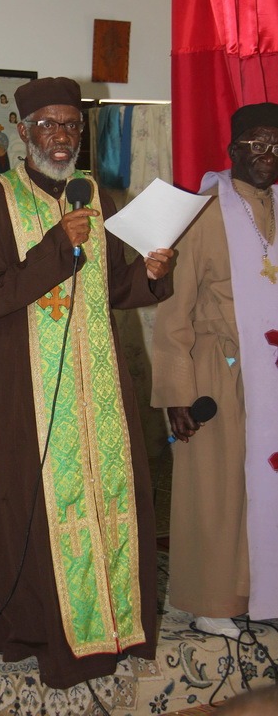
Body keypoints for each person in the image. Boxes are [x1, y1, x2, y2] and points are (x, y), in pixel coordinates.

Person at [0, 76, 174, 689]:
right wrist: (58, 245)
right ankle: (41, 629)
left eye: (70, 127)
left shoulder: (94, 196)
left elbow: (113, 289)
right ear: (24, 133)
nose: (60, 137)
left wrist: (152, 274)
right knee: (37, 506)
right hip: (29, 394)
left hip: (98, 386)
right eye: (48, 126)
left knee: (110, 501)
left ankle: (113, 626)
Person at [151, 102, 278, 639]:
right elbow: (174, 312)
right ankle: (210, 600)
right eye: (254, 143)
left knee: (264, 488)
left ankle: (262, 589)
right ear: (232, 150)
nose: (265, 155)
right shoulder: (204, 211)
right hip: (217, 371)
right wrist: (176, 392)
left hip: (269, 370)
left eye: (275, 144)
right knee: (217, 488)